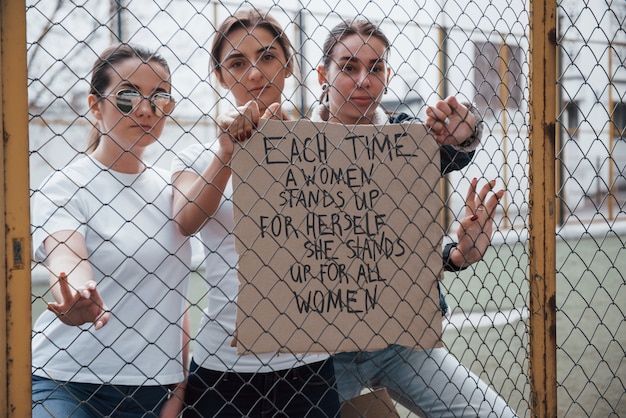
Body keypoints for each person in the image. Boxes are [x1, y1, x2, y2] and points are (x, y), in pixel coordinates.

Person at [313, 19, 519, 418]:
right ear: (324, 74)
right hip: (324, 353)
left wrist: (467, 126)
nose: (363, 80)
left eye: (375, 68)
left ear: (387, 76)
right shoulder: (295, 144)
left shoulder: (404, 138)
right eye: (349, 67)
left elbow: (454, 149)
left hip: (399, 340)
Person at [171, 9, 340, 417]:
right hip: (222, 370)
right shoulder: (196, 154)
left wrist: (287, 148)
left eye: (266, 57)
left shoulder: (326, 145)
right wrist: (227, 154)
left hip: (309, 366)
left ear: (288, 66)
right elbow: (185, 220)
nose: (253, 73)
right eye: (236, 62)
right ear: (220, 76)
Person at [31, 44, 191, 418]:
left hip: (153, 390)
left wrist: (180, 387)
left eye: (160, 97)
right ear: (94, 104)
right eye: (128, 96)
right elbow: (66, 254)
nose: (146, 109)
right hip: (66, 382)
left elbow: (176, 295)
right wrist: (75, 294)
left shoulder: (175, 191)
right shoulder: (66, 184)